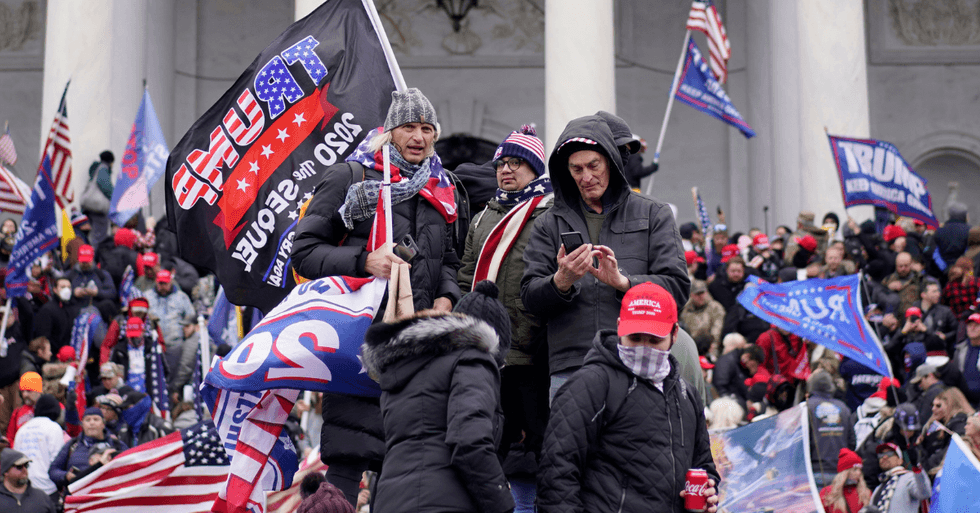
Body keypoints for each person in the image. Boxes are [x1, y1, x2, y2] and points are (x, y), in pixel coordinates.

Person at [290, 88, 462, 504]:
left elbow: (453, 259)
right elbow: (305, 253)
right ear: (389, 132)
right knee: (349, 457)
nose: (418, 136)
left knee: (405, 465)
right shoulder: (352, 177)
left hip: (418, 347)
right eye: (408, 127)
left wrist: (447, 297)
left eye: (426, 128)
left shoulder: (444, 187)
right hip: (357, 343)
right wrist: (364, 260)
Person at [520, 115, 689, 401]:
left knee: (634, 446)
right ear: (566, 171)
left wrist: (625, 283)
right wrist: (561, 281)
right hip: (571, 367)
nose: (586, 177)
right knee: (570, 447)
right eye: (576, 169)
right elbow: (529, 297)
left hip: (639, 363)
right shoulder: (549, 222)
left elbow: (677, 288)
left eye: (593, 166)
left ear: (610, 161)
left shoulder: (653, 213)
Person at [538, 282, 718, 512]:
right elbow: (557, 472)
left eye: (654, 340)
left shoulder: (686, 394)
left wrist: (710, 491)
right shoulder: (591, 383)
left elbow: (703, 465)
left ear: (674, 335)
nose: (644, 348)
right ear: (619, 327)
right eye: (634, 338)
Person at [456, 126, 552, 508]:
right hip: (486, 352)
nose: (506, 170)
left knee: (545, 445)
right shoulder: (483, 217)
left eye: (516, 163)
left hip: (529, 354)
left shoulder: (548, 215)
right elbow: (466, 275)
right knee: (488, 446)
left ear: (534, 169)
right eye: (502, 163)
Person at [360, 281, 514, 513]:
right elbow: (468, 440)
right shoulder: (473, 359)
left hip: (389, 502)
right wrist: (502, 502)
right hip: (445, 502)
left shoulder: (404, 367)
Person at [48, 408, 127, 492]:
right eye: (87, 420)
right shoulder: (73, 445)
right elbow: (53, 471)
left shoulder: (116, 445)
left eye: (96, 419)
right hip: (78, 497)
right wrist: (66, 476)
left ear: (103, 424)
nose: (92, 423)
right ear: (82, 425)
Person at [807, 371, 856, 488]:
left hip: (815, 472)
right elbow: (852, 443)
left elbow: (802, 442)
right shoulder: (843, 408)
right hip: (840, 474)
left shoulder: (807, 407)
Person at [12, 394, 64, 498]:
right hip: (48, 488)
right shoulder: (54, 427)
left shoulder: (22, 430)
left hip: (24, 487)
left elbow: (15, 458)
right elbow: (58, 459)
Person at [917, 387, 974, 475]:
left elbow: (950, 452)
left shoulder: (959, 425)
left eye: (938, 406)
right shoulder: (940, 424)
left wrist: (928, 464)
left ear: (951, 405)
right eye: (932, 405)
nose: (933, 409)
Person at [860, 442, 930, 513]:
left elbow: (924, 493)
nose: (884, 457)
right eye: (881, 455)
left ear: (900, 460)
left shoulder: (909, 477)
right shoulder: (878, 488)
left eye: (889, 454)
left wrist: (916, 467)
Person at [145, 270, 194, 352]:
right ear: (156, 282)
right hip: (153, 343)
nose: (163, 286)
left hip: (175, 344)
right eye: (160, 283)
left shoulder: (181, 297)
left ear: (170, 282)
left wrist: (190, 325)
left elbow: (191, 315)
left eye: (165, 283)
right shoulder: (147, 297)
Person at [0, 448, 55, 513]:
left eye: (26, 465)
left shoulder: (42, 498)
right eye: (19, 466)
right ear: (6, 471)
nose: (25, 470)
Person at [680, 280, 725, 358]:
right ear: (691, 295)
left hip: (712, 345)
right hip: (692, 345)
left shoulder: (715, 307)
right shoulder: (686, 310)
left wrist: (712, 344)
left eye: (702, 293)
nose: (701, 296)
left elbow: (717, 330)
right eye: (697, 294)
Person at [32, 279, 79, 353]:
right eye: (63, 287)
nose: (67, 290)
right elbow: (43, 336)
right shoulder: (47, 310)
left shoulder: (72, 308)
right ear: (55, 289)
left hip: (68, 353)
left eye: (69, 287)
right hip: (53, 354)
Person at [820, 448, 871, 513]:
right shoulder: (827, 492)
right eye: (854, 469)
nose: (859, 473)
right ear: (844, 472)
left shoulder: (865, 493)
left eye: (860, 470)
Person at [882, 253, 923, 322]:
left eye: (906, 266)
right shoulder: (888, 280)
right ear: (896, 266)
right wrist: (888, 289)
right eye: (900, 266)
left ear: (911, 265)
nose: (903, 269)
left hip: (912, 318)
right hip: (893, 319)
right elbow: (879, 297)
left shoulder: (919, 279)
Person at [952, 312, 980, 405]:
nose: (972, 328)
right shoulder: (960, 349)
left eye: (976, 325)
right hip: (964, 401)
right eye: (970, 325)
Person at [6, 373, 42, 445]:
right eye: (22, 391)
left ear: (39, 391)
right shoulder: (17, 412)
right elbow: (10, 438)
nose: (25, 395)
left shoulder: (52, 408)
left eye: (29, 391)